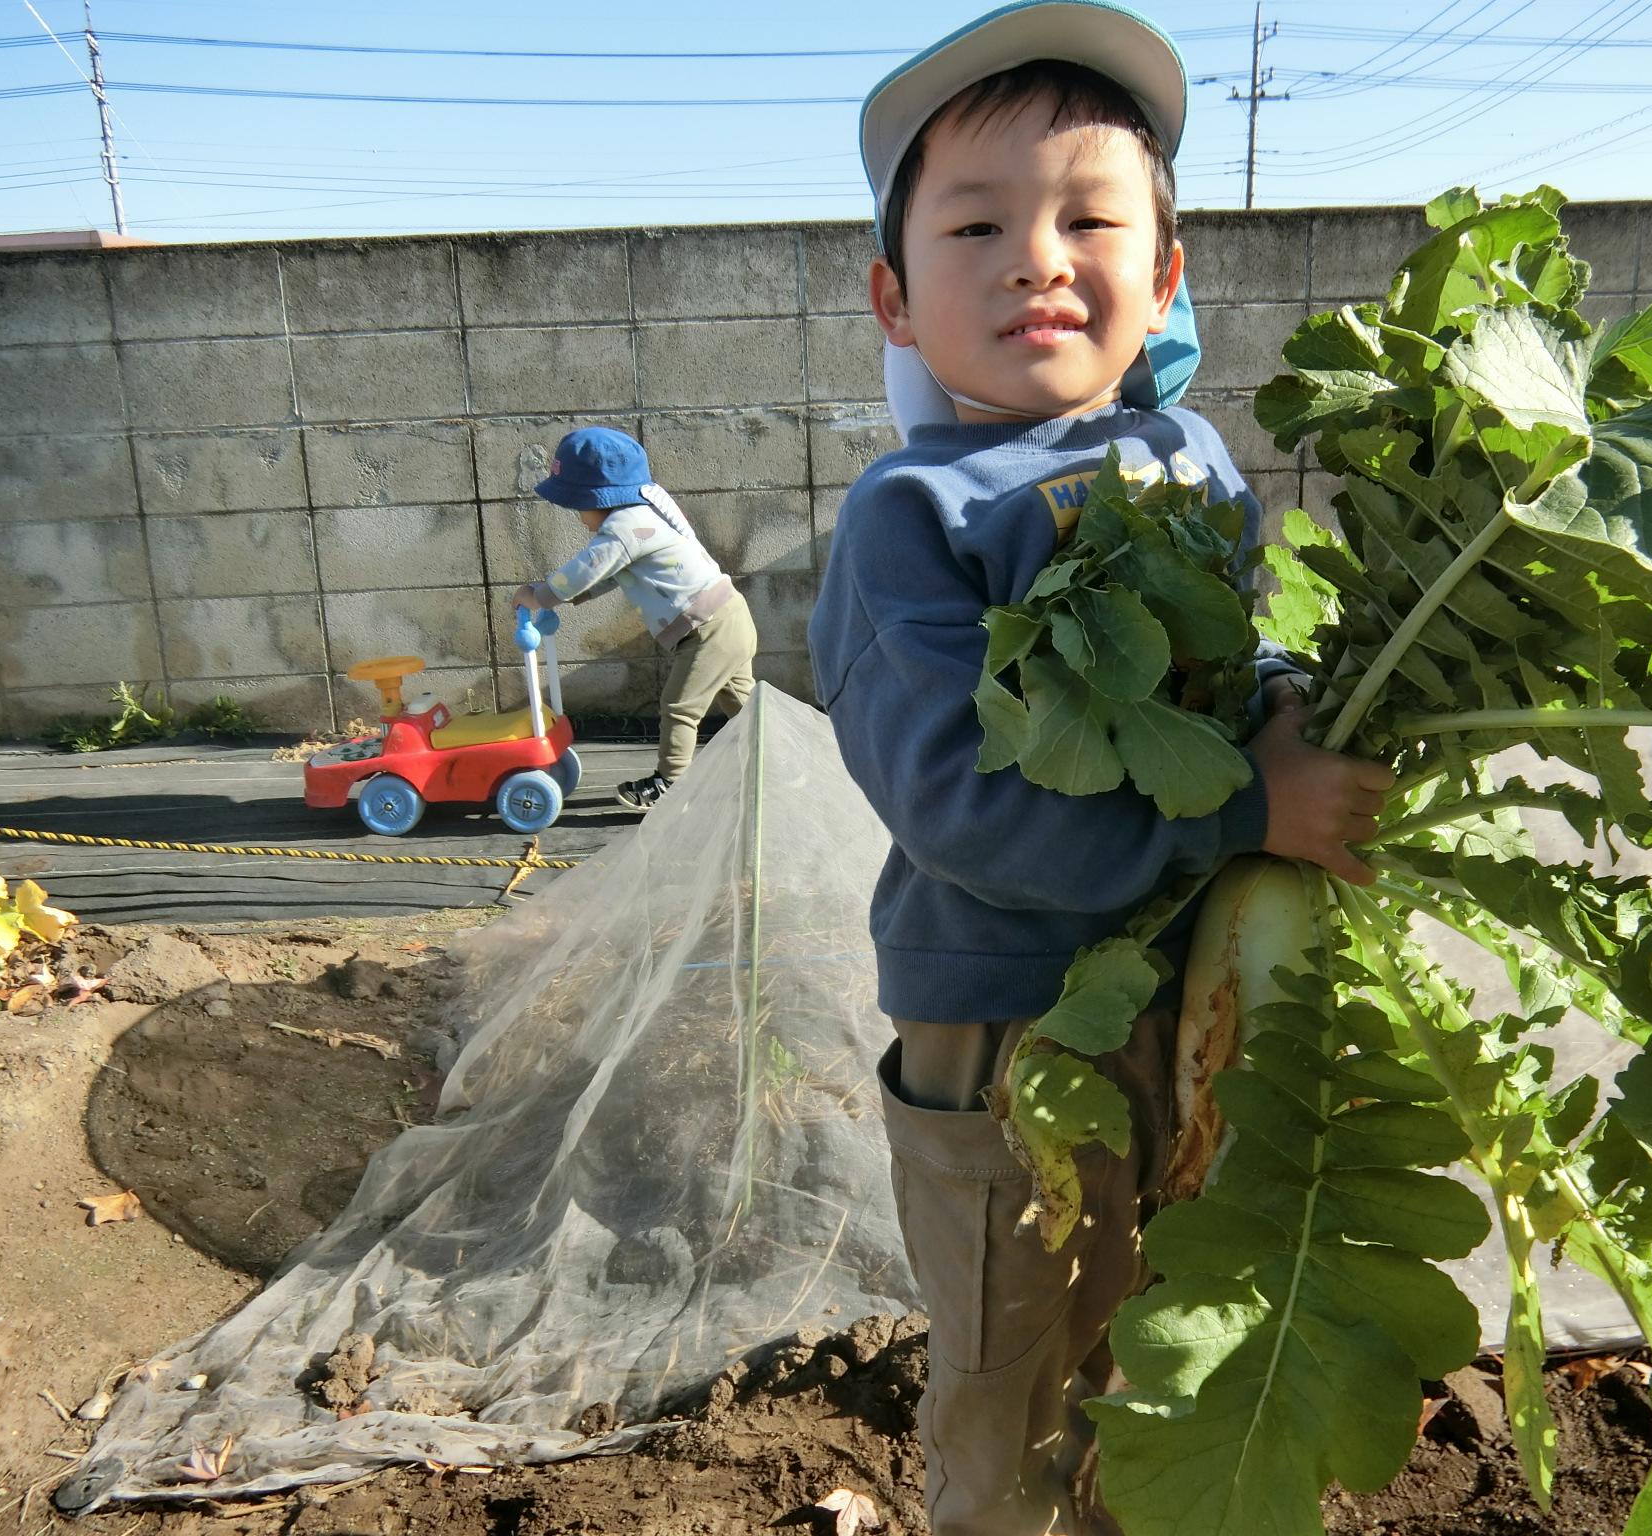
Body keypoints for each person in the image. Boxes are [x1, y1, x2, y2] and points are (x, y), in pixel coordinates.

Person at [805, 5, 1396, 1534]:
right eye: (978, 225)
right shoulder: (912, 518)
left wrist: (1297, 721)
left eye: (1088, 217)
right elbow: (963, 806)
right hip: (1008, 1021)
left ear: (1167, 273)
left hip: (1189, 991)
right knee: (1016, 1357)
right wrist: (1258, 810)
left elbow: (1247, 667)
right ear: (894, 295)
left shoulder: (1190, 458)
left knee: (1172, 1338)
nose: (1036, 258)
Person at [514, 426, 758, 811]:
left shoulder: (624, 527)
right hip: (727, 617)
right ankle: (785, 768)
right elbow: (606, 575)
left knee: (679, 707)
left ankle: (671, 784)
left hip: (708, 628)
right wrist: (563, 596)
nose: (581, 519)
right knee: (747, 708)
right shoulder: (641, 518)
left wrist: (539, 595)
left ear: (599, 497)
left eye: (580, 506)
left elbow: (586, 569)